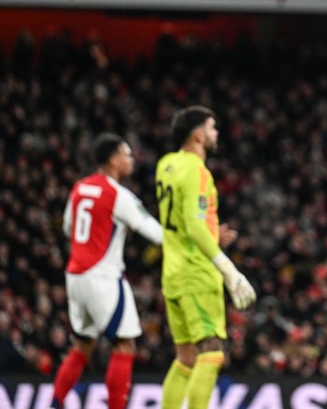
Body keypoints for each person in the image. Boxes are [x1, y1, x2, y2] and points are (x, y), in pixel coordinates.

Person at [53, 134, 165, 409]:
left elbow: (69, 228)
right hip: (104, 277)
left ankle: (54, 405)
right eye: (126, 153)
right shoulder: (119, 195)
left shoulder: (80, 188)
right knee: (124, 346)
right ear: (113, 159)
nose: (131, 159)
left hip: (76, 277)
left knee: (82, 347)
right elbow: (156, 233)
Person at [157, 106, 256, 409]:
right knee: (211, 352)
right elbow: (194, 226)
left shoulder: (167, 164)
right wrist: (229, 270)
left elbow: (180, 219)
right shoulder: (198, 171)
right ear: (198, 135)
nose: (216, 134)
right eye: (212, 128)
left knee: (185, 358)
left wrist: (213, 233)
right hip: (197, 273)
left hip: (172, 273)